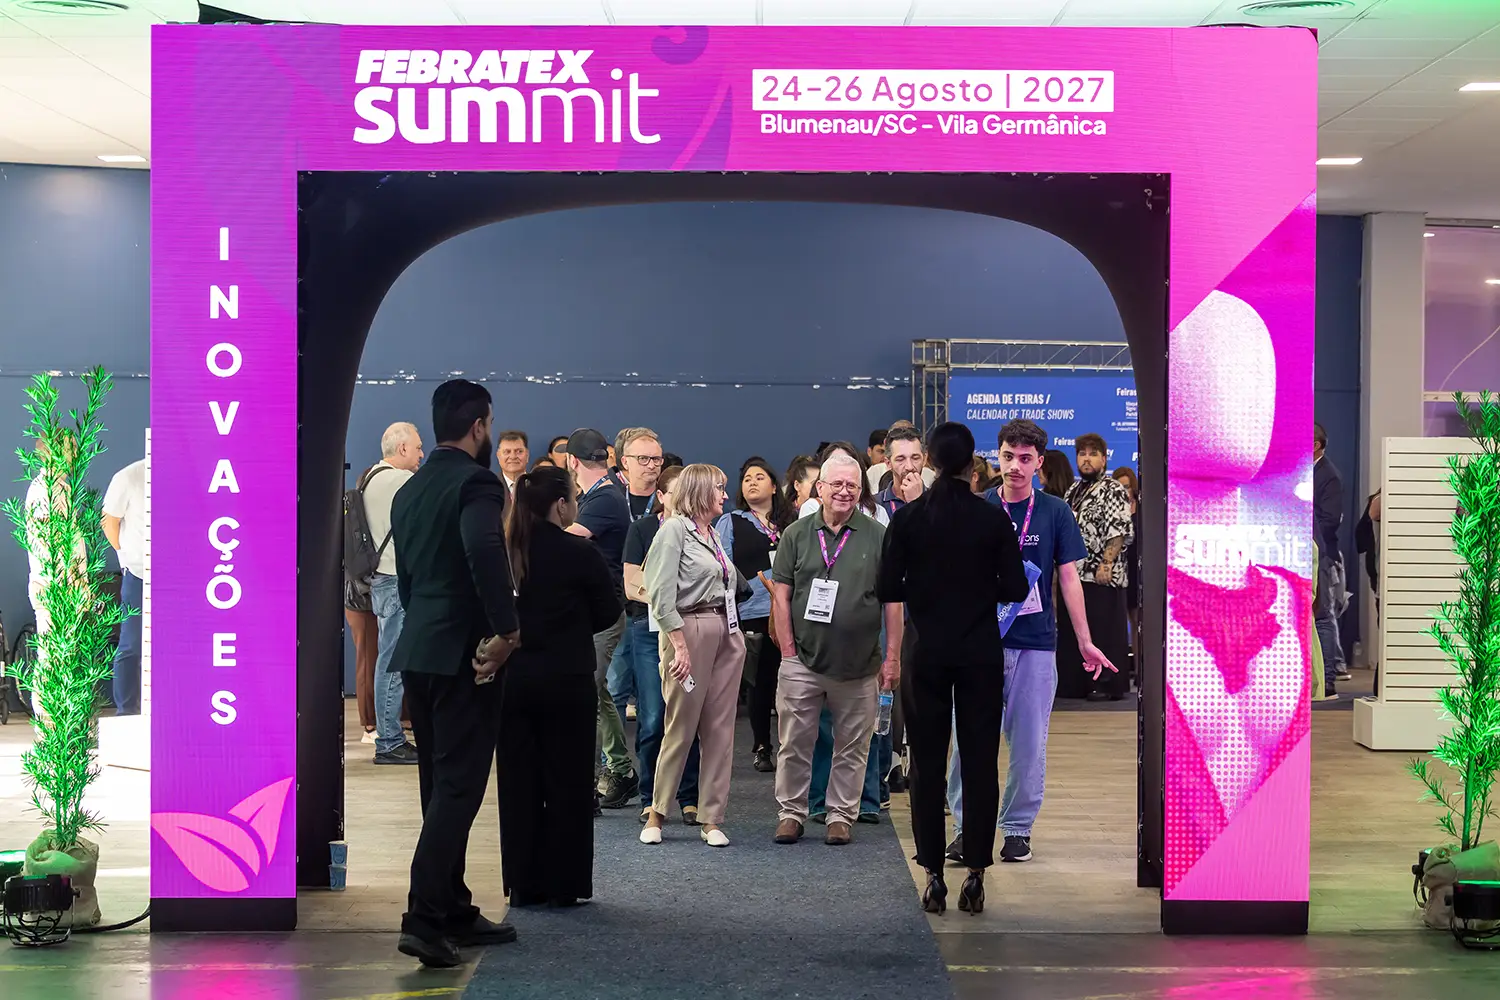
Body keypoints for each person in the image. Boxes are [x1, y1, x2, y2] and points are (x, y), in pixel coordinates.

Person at [389, 379, 520, 968]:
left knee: (438, 788)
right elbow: (483, 551)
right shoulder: (478, 483)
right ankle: (423, 918)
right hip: (468, 655)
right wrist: (507, 631)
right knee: (459, 789)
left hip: (420, 649)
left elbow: (409, 579)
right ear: (479, 426)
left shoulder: (410, 488)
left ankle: (451, 906)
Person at [947, 420, 1118, 867]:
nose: (1015, 467)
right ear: (997, 456)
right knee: (968, 742)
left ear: (1039, 462)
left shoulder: (1055, 512)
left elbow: (1069, 578)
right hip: (980, 645)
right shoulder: (978, 507)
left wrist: (1085, 640)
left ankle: (1018, 829)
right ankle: (967, 829)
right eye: (1008, 457)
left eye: (1025, 459)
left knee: (1027, 744)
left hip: (1035, 644)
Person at [877, 422, 1029, 915]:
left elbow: (887, 588)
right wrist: (977, 588)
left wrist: (927, 589)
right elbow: (1015, 588)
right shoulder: (992, 519)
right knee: (980, 761)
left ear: (930, 462)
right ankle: (977, 872)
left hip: (926, 653)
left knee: (925, 764)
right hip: (980, 653)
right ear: (971, 465)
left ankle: (933, 875)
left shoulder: (908, 518)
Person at [496, 466, 621, 909]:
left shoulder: (505, 551)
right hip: (567, 677)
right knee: (568, 782)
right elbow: (608, 612)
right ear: (561, 505)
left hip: (514, 679)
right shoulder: (579, 552)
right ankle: (565, 883)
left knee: (518, 782)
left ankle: (523, 884)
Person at [771, 452, 901, 848]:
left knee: (853, 746)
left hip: (860, 665)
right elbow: (781, 596)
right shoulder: (796, 534)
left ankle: (840, 815)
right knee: (794, 742)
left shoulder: (879, 535)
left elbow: (893, 603)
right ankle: (791, 813)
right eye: (837, 484)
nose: (844, 492)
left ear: (861, 491)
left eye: (852, 486)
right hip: (802, 660)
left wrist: (892, 657)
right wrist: (788, 651)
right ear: (820, 488)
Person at [641, 464, 746, 848]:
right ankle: (657, 812)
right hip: (689, 630)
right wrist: (680, 645)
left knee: (720, 729)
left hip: (726, 631)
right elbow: (659, 593)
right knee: (680, 725)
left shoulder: (712, 534)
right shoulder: (673, 530)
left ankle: (711, 818)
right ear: (700, 491)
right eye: (719, 488)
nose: (725, 495)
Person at [618, 466, 701, 824]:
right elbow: (631, 585)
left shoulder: (700, 531)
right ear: (662, 496)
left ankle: (688, 797)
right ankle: (650, 797)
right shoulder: (643, 530)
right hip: (649, 631)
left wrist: (667, 592)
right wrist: (667, 597)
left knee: (687, 715)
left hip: (691, 629)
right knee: (652, 718)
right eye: (676, 492)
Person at [564, 428, 639, 810]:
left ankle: (586, 785)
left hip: (601, 614)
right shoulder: (601, 495)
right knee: (599, 694)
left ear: (571, 461)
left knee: (586, 697)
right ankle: (622, 771)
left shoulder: (604, 498)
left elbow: (563, 540)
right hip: (598, 612)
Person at [717, 457, 796, 773]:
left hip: (790, 611)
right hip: (752, 612)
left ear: (774, 486)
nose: (752, 482)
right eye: (747, 478)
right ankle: (762, 746)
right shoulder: (731, 521)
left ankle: (794, 746)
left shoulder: (792, 521)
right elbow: (723, 566)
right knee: (760, 682)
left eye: (759, 477)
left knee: (792, 682)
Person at [1057, 434, 1134, 700]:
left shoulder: (1112, 488)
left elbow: (1119, 528)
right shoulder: (1072, 491)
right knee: (1074, 632)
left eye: (1092, 454)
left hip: (1102, 575)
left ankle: (1105, 684)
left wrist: (1107, 563)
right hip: (1074, 575)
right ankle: (1074, 684)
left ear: (1104, 458)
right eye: (1082, 454)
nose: (1086, 459)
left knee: (1103, 631)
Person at [366, 422, 425, 764]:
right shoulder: (402, 481)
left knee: (387, 659)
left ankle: (389, 737)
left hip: (379, 578)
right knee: (393, 663)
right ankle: (389, 741)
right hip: (396, 580)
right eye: (417, 448)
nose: (421, 454)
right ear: (402, 449)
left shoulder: (370, 478)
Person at [102, 457, 146, 715]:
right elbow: (109, 522)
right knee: (132, 644)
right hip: (138, 574)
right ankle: (126, 711)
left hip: (176, 578)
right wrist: (124, 555)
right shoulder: (128, 476)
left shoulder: (182, 473)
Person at [1314, 423, 1348, 689]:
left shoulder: (1329, 475)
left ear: (1316, 445)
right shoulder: (1307, 471)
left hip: (1321, 554)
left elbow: (1330, 520)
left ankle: (1327, 681)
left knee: (1323, 616)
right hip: (1304, 551)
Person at [1112, 465, 1142, 680]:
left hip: (1139, 573)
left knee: (1139, 624)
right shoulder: (1111, 511)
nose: (1124, 491)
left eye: (1127, 487)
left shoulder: (1143, 510)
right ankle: (1119, 673)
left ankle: (1141, 672)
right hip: (1118, 572)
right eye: (1119, 487)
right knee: (1117, 626)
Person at [866, 420, 937, 496]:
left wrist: (918, 500)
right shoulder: (876, 503)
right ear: (888, 463)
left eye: (915, 458)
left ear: (924, 459)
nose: (909, 467)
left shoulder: (939, 500)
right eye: (900, 459)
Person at [496, 430, 528, 496]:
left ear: (527, 455)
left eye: (519, 451)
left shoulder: (539, 486)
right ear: (498, 456)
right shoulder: (489, 487)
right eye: (507, 452)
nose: (513, 457)